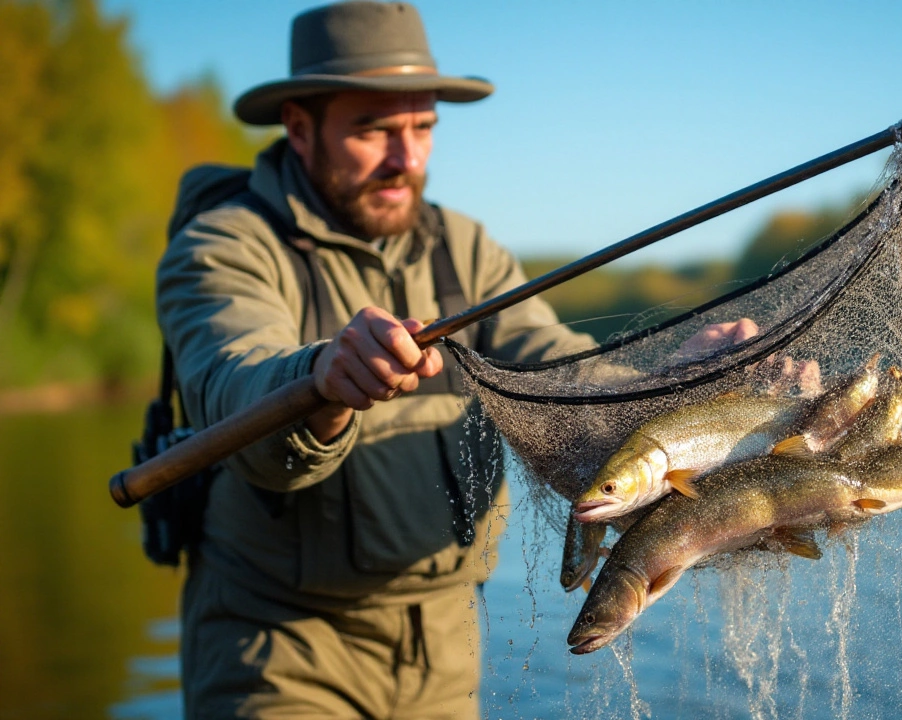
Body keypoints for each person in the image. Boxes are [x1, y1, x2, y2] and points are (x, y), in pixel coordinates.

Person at [159, 2, 759, 717]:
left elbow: (557, 372)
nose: (405, 159)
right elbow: (231, 384)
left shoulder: (464, 247)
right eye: (373, 129)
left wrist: (666, 386)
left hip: (447, 644)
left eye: (422, 129)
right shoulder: (223, 248)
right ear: (298, 127)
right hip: (278, 648)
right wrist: (320, 380)